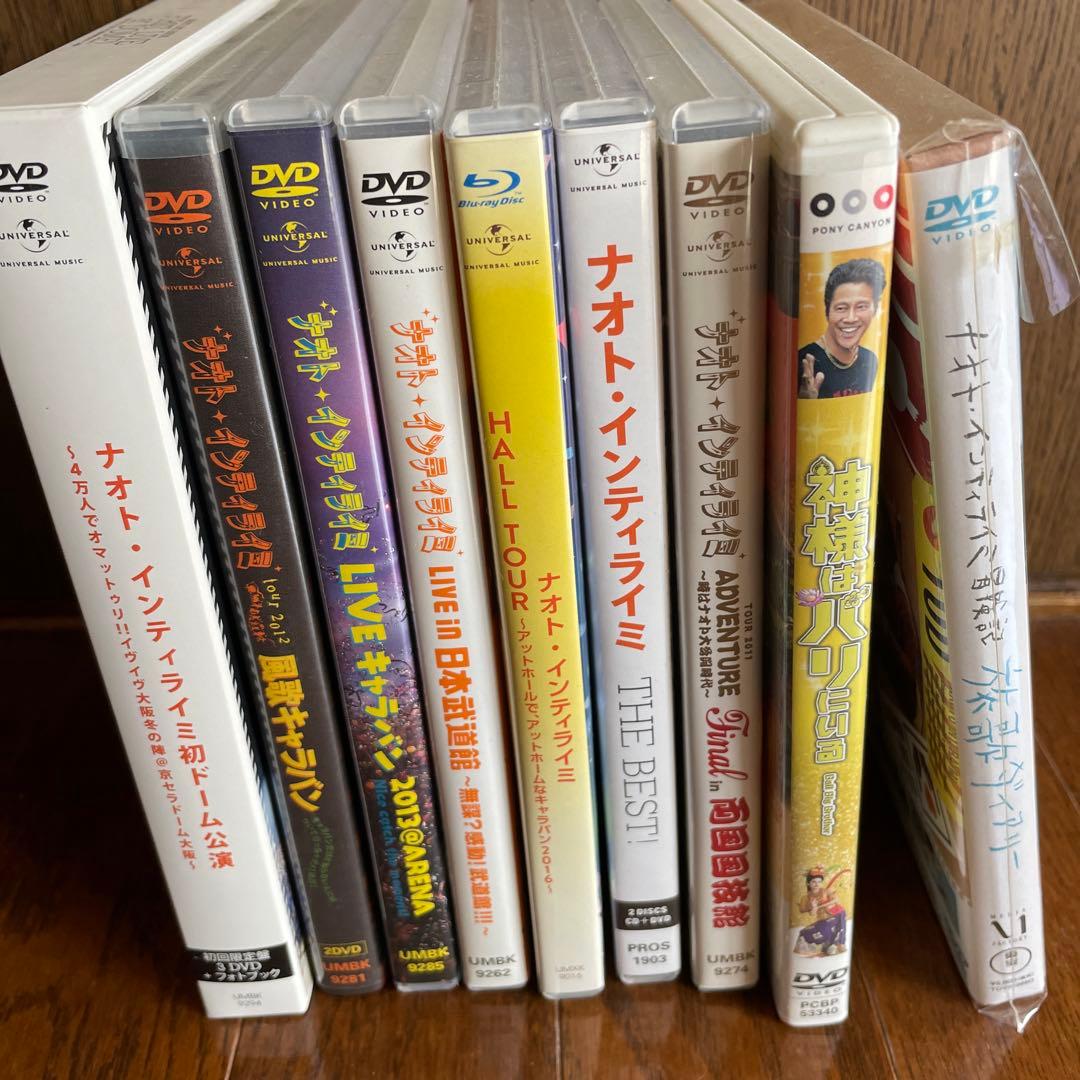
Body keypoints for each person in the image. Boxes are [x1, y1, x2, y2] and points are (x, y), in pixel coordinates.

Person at [798, 258, 887, 399]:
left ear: (874, 310)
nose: (851, 318)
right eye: (841, 308)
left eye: (861, 307)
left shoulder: (869, 360)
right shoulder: (803, 363)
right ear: (827, 312)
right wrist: (806, 402)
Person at [794, 865, 848, 956]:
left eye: (819, 881)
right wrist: (813, 907)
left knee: (827, 927)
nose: (817, 884)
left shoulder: (826, 891)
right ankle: (816, 950)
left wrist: (821, 906)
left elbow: (836, 900)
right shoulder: (806, 897)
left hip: (836, 916)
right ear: (808, 883)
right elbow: (812, 914)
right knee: (804, 932)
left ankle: (837, 944)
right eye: (813, 882)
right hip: (822, 920)